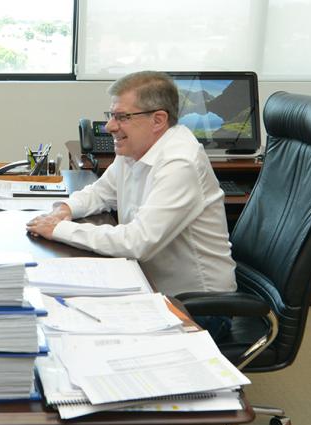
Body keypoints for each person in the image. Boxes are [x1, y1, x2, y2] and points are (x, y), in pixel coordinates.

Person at [25, 71, 236, 340]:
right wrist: (64, 210)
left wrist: (57, 229)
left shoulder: (180, 163)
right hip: (147, 285)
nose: (109, 126)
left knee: (83, 336)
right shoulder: (135, 149)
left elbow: (137, 242)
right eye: (111, 115)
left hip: (195, 307)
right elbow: (100, 193)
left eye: (122, 117)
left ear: (158, 120)